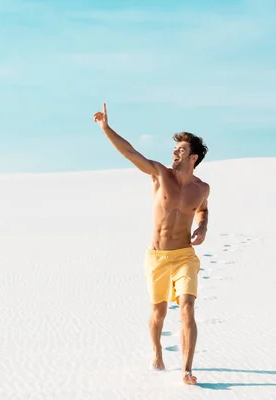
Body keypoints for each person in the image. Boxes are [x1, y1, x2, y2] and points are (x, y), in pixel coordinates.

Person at [93, 103, 210, 385]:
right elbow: (130, 152)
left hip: (184, 256)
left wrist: (203, 226)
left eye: (181, 149)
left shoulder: (201, 188)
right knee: (158, 312)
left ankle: (186, 369)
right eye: (175, 148)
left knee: (187, 307)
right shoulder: (160, 174)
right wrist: (106, 128)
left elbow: (203, 209)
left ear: (193, 157)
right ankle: (157, 350)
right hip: (157, 256)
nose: (175, 152)